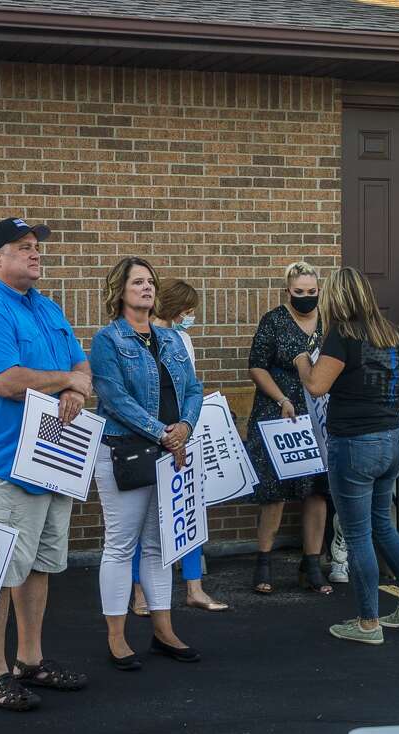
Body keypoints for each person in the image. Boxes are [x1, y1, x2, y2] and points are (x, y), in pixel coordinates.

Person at [0, 218, 92, 712]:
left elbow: (82, 366)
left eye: (36, 247)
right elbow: (7, 382)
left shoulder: (48, 308)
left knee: (38, 567)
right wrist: (67, 382)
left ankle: (29, 660)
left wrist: (75, 385)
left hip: (52, 458)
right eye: (23, 247)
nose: (34, 255)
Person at [294, 267, 399, 644]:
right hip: (392, 438)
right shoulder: (397, 334)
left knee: (357, 536)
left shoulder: (343, 334)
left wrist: (301, 360)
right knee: (383, 527)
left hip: (354, 443)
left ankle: (368, 623)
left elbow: (317, 386)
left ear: (336, 299)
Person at [91, 256, 205, 670]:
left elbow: (194, 387)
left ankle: (164, 630)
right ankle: (117, 638)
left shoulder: (172, 339)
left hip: (171, 452)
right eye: (138, 282)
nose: (147, 288)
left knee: (160, 546)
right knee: (121, 546)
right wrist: (163, 432)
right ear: (119, 290)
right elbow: (114, 398)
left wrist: (186, 427)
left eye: (150, 282)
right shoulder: (108, 340)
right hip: (125, 450)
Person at [128, 278, 228, 614]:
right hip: (147, 436)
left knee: (188, 510)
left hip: (182, 434)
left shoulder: (182, 339)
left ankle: (194, 587)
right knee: (143, 519)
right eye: (187, 310)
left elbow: (190, 387)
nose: (191, 316)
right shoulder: (134, 337)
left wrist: (186, 425)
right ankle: (139, 594)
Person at [243, 261, 333, 595]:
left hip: (319, 416)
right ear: (287, 291)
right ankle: (263, 561)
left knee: (316, 491)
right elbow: (256, 366)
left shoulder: (329, 322)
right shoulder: (275, 321)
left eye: (312, 292)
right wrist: (281, 397)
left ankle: (311, 564)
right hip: (278, 413)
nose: (306, 298)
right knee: (275, 492)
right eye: (299, 292)